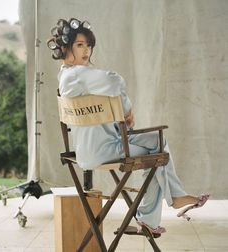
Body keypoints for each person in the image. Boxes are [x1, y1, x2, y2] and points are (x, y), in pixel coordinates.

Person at [47, 18, 209, 235]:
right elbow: (115, 81)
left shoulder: (67, 76)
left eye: (89, 45)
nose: (87, 50)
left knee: (156, 148)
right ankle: (162, 206)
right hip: (102, 150)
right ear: (66, 47)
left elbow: (106, 94)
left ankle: (153, 216)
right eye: (80, 45)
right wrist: (126, 110)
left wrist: (120, 112)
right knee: (158, 149)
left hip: (95, 148)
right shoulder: (77, 75)